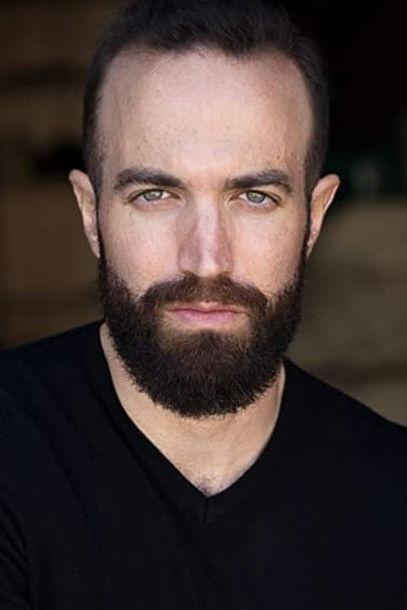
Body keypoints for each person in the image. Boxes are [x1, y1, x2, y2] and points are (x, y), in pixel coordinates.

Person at [0, 1, 406, 608]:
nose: (207, 259)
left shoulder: (393, 494)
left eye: (255, 196)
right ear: (90, 213)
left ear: (315, 218)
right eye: (155, 194)